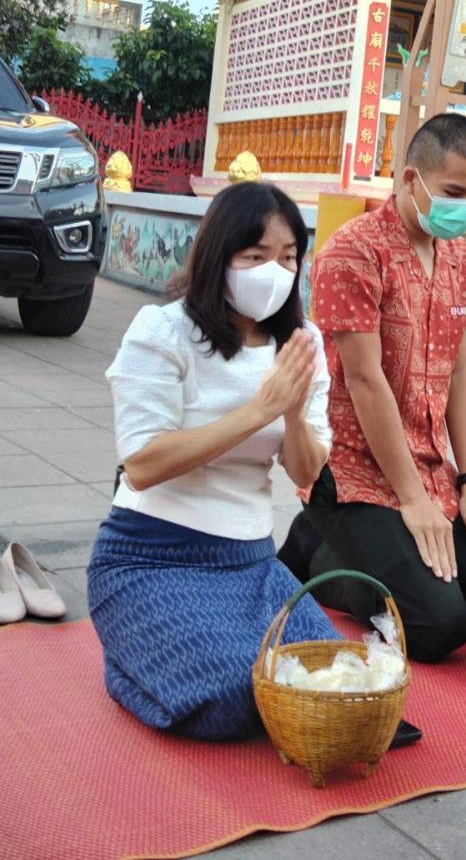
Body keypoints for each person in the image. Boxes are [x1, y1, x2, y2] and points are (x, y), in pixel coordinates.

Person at [87, 183, 340, 739]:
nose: (274, 272)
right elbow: (143, 464)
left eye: (288, 257)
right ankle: (128, 665)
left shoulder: (302, 343)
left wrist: (292, 413)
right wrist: (259, 410)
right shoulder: (164, 330)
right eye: (255, 256)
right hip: (151, 556)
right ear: (218, 256)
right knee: (231, 693)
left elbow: (306, 473)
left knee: (325, 677)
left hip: (251, 563)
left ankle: (162, 659)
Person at [282, 113, 466, 663]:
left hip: (433, 470)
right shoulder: (353, 252)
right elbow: (365, 379)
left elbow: (462, 369)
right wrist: (412, 499)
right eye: (454, 193)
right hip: (355, 472)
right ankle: (321, 555)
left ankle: (353, 545)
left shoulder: (458, 255)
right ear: (411, 179)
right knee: (437, 628)